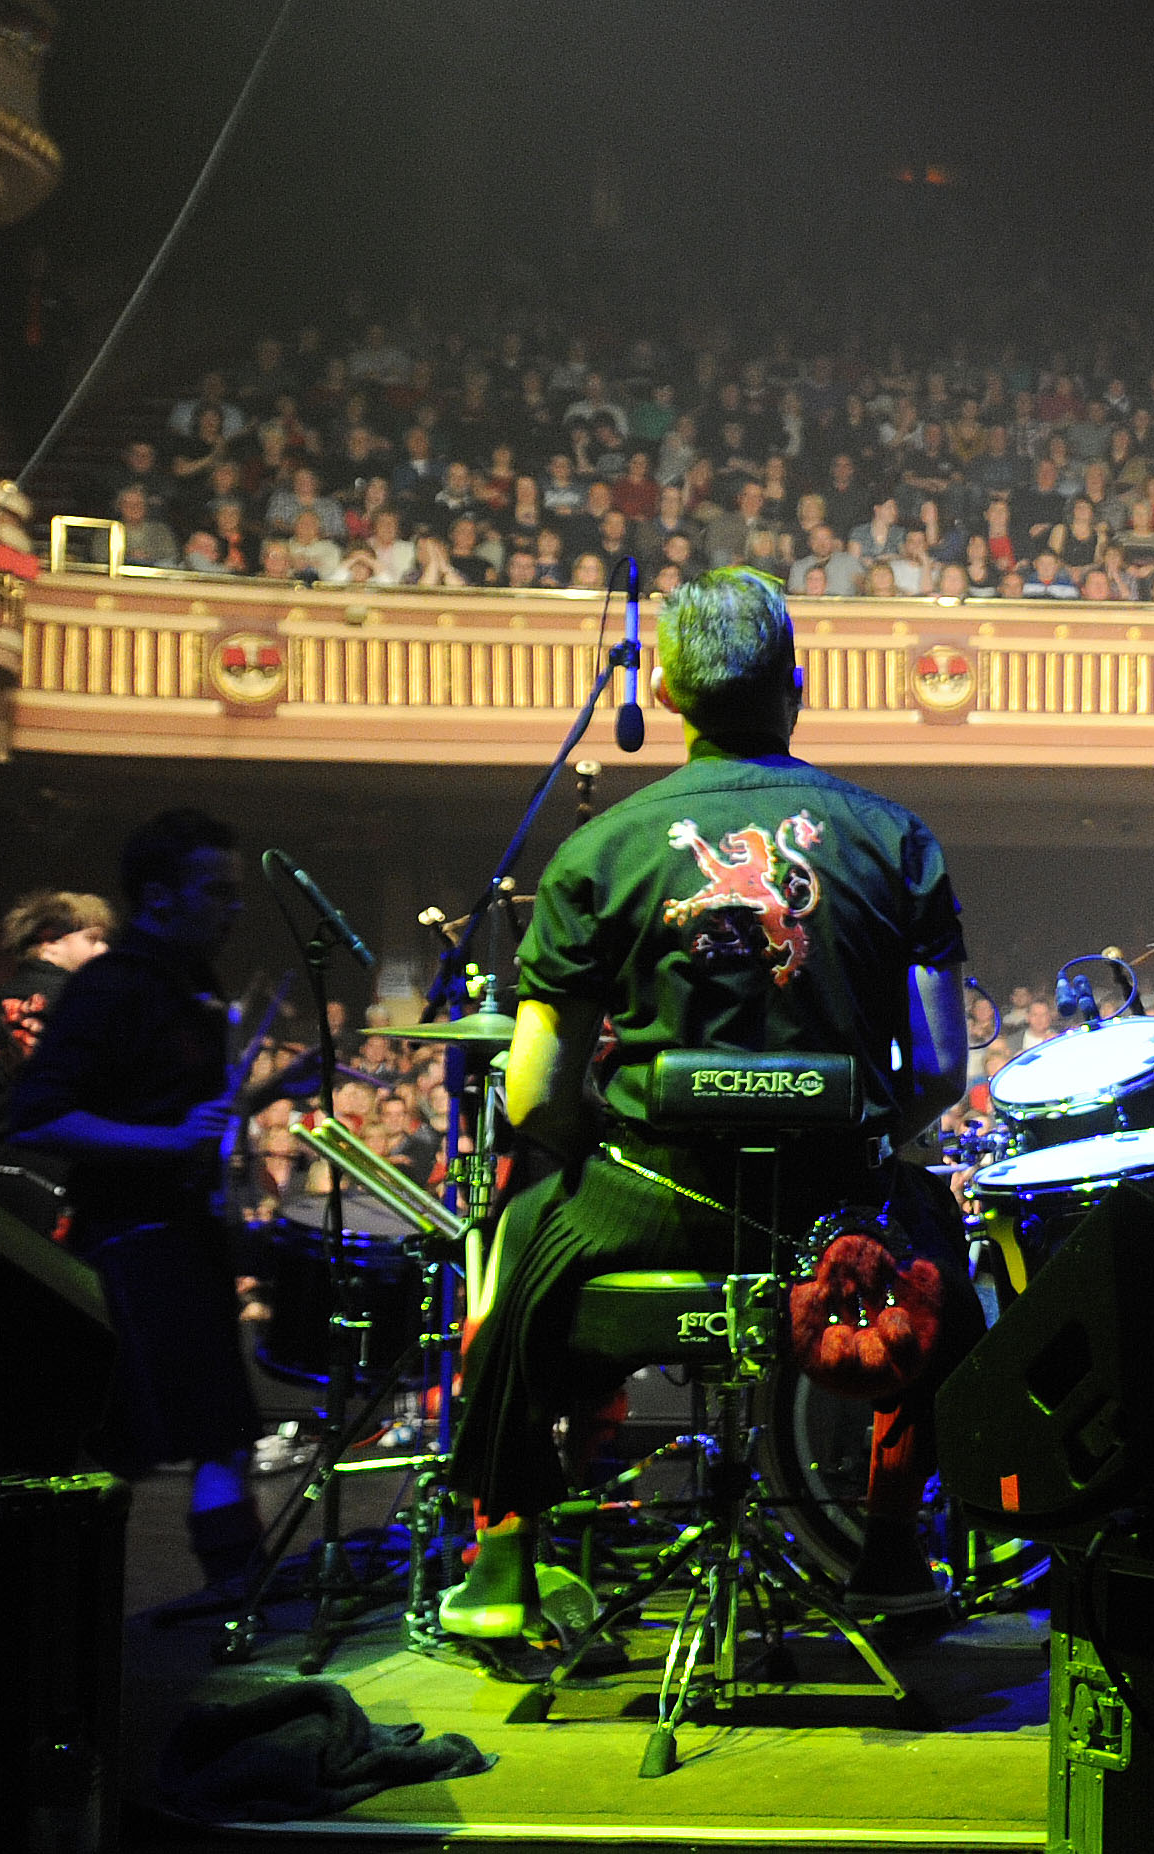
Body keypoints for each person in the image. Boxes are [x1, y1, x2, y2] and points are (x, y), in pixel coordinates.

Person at [451, 569, 976, 1643]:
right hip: (834, 1216)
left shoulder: (597, 850)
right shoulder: (896, 839)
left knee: (513, 1237)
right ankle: (890, 1556)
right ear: (799, 682)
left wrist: (610, 1155)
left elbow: (536, 1089)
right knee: (940, 1259)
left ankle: (502, 1568)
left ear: (673, 697)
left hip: (652, 1198)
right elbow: (934, 1071)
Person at [9, 811, 311, 1587]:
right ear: (159, 896)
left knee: (222, 1435)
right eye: (217, 891)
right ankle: (87, 1614)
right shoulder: (112, 986)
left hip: (183, 1233)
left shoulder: (192, 983)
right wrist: (167, 1143)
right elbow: (38, 1115)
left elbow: (179, 1112)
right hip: (130, 1243)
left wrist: (269, 1093)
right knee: (130, 1446)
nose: (234, 908)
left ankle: (233, 1599)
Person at [0, 888, 115, 1234]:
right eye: (93, 939)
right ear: (49, 940)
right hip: (54, 1197)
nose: (104, 951)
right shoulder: (96, 1012)